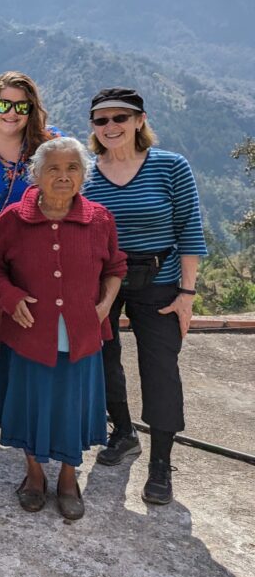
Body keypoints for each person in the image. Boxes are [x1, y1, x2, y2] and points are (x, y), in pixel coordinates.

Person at [0, 137, 127, 520]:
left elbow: (115, 268)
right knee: (30, 404)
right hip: (29, 333)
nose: (63, 176)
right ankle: (34, 475)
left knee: (72, 407)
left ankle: (68, 478)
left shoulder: (99, 219)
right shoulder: (13, 219)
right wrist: (11, 296)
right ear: (36, 174)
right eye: (53, 168)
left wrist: (104, 306)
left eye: (72, 168)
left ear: (84, 175)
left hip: (81, 335)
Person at [82, 88, 207, 505]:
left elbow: (189, 229)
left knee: (160, 368)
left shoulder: (170, 166)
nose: (111, 126)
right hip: (104, 280)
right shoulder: (87, 173)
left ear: (140, 120)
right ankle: (122, 432)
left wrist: (187, 292)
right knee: (103, 357)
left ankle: (160, 463)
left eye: (120, 117)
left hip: (160, 278)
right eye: (101, 120)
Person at [0, 72, 62, 415]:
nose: (12, 113)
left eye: (21, 106)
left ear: (32, 110)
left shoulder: (50, 146)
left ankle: (16, 401)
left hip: (33, 254)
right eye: (4, 104)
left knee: (26, 325)